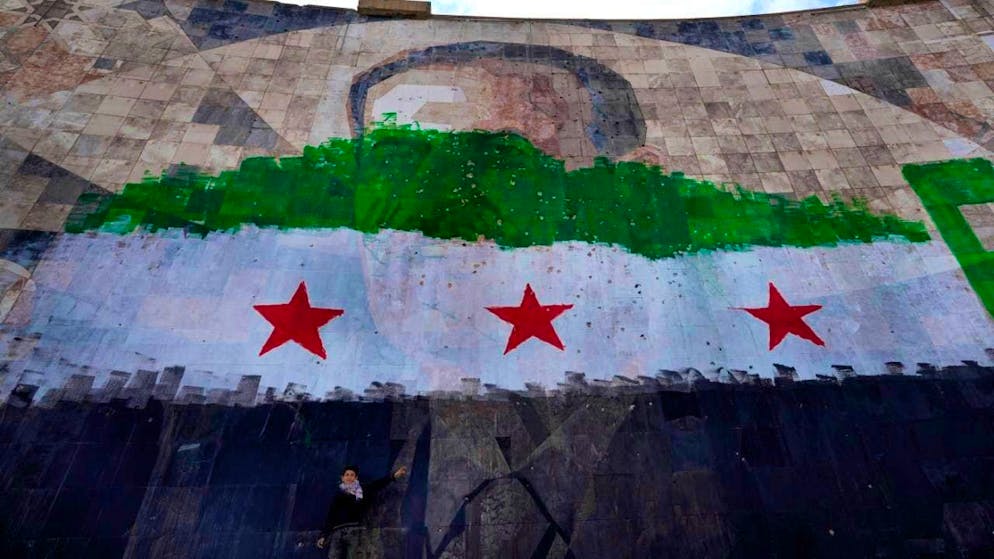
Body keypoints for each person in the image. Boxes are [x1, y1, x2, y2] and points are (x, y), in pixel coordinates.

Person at [317, 464, 408, 558]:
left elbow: (377, 484)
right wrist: (324, 535)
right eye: (347, 475)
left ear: (356, 478)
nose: (349, 477)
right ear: (342, 478)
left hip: (355, 532)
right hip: (338, 532)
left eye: (352, 475)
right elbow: (331, 515)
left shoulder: (362, 490)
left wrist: (393, 476)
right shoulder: (338, 495)